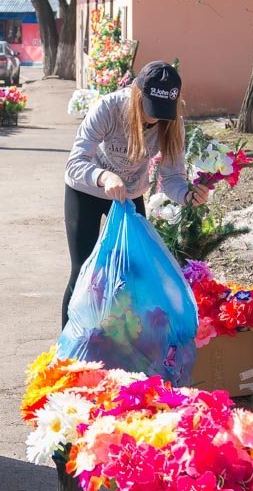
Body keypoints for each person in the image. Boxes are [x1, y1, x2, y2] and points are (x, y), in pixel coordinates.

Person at [61, 61, 209, 327]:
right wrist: (104, 176)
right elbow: (75, 162)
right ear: (136, 93)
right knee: (84, 271)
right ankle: (68, 349)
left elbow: (172, 178)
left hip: (128, 197)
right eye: (149, 108)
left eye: (162, 111)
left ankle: (120, 343)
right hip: (86, 190)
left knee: (132, 274)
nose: (154, 118)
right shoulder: (109, 108)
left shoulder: (172, 124)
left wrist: (189, 196)